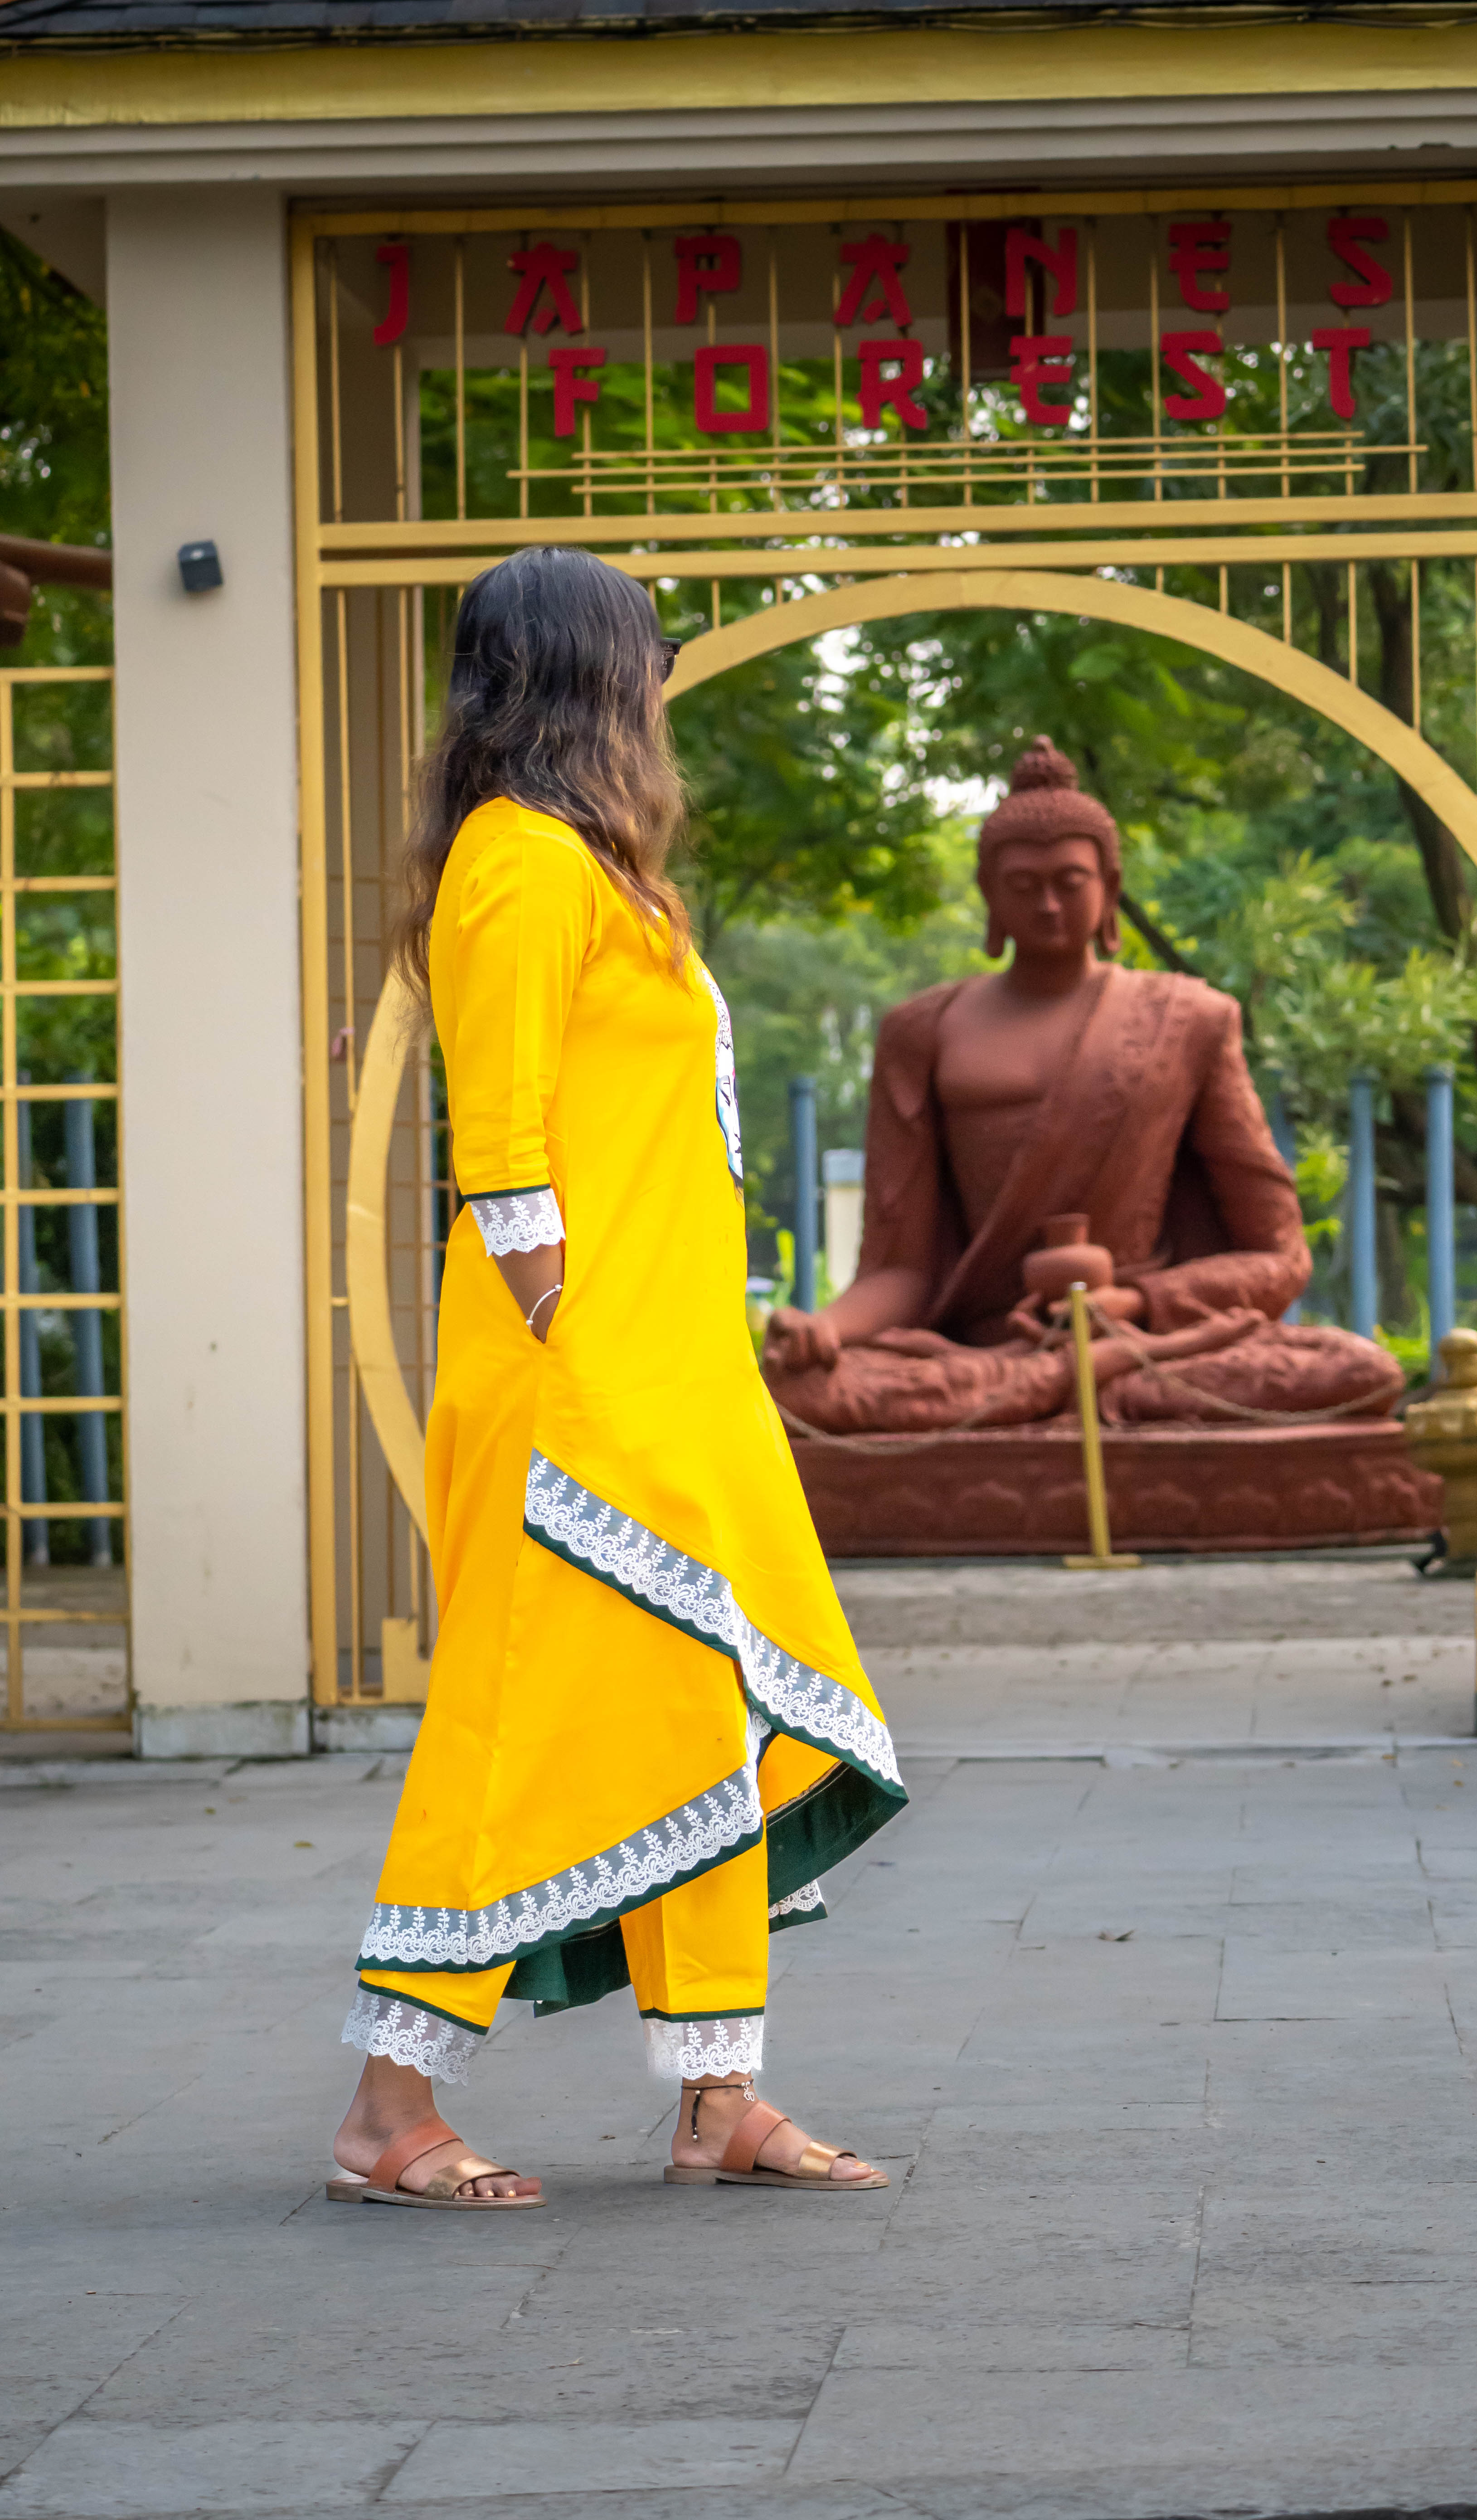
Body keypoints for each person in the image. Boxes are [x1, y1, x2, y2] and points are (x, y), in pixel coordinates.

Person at [330, 550, 903, 2209]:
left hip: (673, 1382)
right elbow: (499, 1151)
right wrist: (579, 1344)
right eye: (645, 659)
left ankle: (719, 2096)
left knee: (704, 1721)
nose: (662, 684)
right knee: (516, 1734)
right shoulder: (515, 867)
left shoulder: (603, 874)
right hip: (572, 1390)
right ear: (588, 676)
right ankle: (387, 2110)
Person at [763, 738, 1403, 1439]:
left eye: (1069, 882)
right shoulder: (920, 1032)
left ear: (1110, 888)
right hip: (978, 1353)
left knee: (1358, 1370)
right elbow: (901, 1270)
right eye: (1022, 885)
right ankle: (1049, 1391)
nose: (1046, 905)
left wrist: (1130, 1302)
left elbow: (1280, 1258)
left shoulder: (1188, 1021)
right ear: (989, 895)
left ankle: (1065, 1389)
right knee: (796, 1390)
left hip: (1144, 1347)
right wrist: (822, 1329)